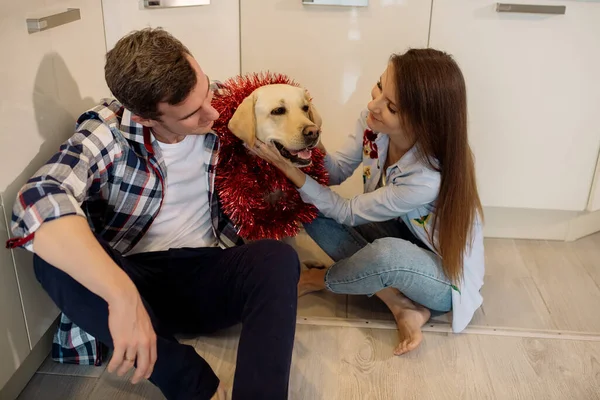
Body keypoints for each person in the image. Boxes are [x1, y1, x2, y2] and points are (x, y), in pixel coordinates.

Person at [6, 27, 300, 400]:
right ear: (146, 118)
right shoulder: (107, 130)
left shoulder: (227, 105)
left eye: (206, 88)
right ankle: (188, 381)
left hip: (210, 271)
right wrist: (120, 294)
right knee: (50, 261)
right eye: (192, 114)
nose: (212, 111)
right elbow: (38, 196)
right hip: (137, 287)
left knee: (277, 258)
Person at [251, 48, 485, 356]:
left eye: (391, 106)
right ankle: (401, 304)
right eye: (379, 86)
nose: (372, 104)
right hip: (400, 232)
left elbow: (346, 212)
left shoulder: (427, 177)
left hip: (441, 278)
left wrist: (290, 171)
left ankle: (317, 278)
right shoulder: (373, 123)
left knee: (386, 256)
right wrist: (308, 137)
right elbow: (333, 173)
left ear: (422, 123)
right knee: (306, 203)